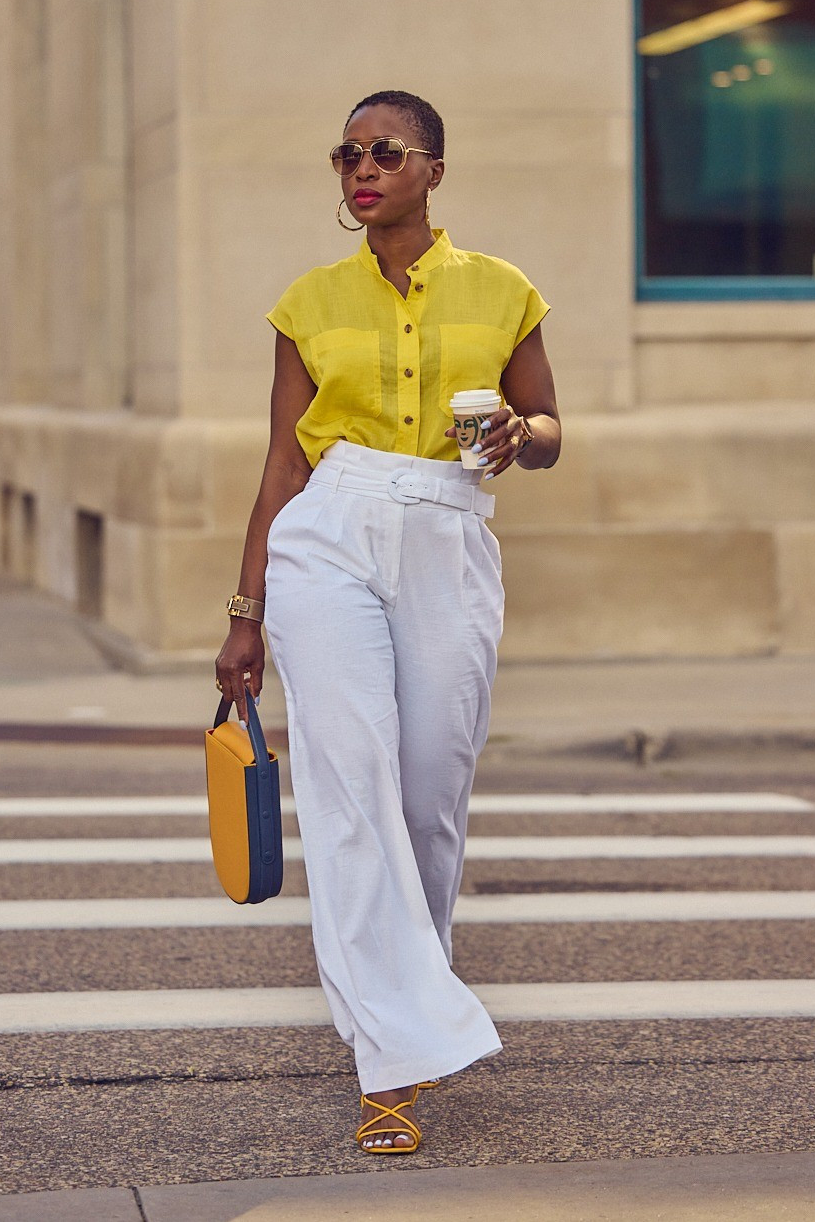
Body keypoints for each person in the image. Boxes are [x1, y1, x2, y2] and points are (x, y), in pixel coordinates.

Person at [215, 89, 561, 1155]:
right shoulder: (308, 302)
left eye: (385, 152)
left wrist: (520, 429)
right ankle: (392, 1061)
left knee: (425, 795)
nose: (361, 169)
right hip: (332, 530)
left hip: (449, 531)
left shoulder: (503, 292)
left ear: (432, 171)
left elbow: (551, 431)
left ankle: (418, 996)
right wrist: (246, 612)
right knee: (351, 790)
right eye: (347, 154)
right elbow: (284, 461)